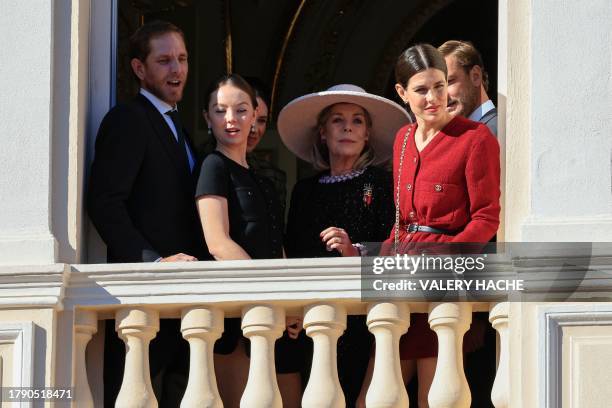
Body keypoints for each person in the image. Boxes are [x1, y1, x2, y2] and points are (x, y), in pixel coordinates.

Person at [358, 44, 500, 407]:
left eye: (440, 86)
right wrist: (375, 258)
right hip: (399, 278)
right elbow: (400, 222)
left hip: (442, 281)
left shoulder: (475, 138)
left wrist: (445, 261)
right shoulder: (403, 139)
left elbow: (486, 218)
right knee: (372, 399)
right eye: (421, 90)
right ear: (402, 94)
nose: (434, 98)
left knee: (433, 398)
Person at [88, 21, 208, 406]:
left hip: (183, 306)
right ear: (140, 69)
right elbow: (105, 202)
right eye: (165, 61)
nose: (177, 70)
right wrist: (153, 262)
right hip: (143, 300)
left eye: (182, 59)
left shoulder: (178, 127)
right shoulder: (128, 119)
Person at [279, 84, 411, 406]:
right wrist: (291, 307)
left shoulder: (380, 183)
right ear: (323, 132)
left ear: (367, 134)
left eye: (357, 121)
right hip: (311, 315)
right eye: (338, 120)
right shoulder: (304, 191)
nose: (348, 127)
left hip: (365, 318)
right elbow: (292, 252)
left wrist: (355, 253)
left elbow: (394, 246)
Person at [196, 73, 301, 408]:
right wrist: (273, 297)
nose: (231, 120)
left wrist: (290, 303)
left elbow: (275, 243)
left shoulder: (262, 179)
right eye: (219, 110)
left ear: (256, 113)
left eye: (241, 110)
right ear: (206, 117)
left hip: (273, 312)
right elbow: (218, 243)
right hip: (236, 317)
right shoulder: (213, 166)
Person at [243, 77, 288, 214]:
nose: (254, 129)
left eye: (261, 121)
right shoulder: (200, 160)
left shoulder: (273, 177)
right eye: (249, 118)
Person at [438, 40, 498, 136]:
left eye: (450, 82)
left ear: (476, 76)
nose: (443, 95)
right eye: (439, 87)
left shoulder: (500, 131)